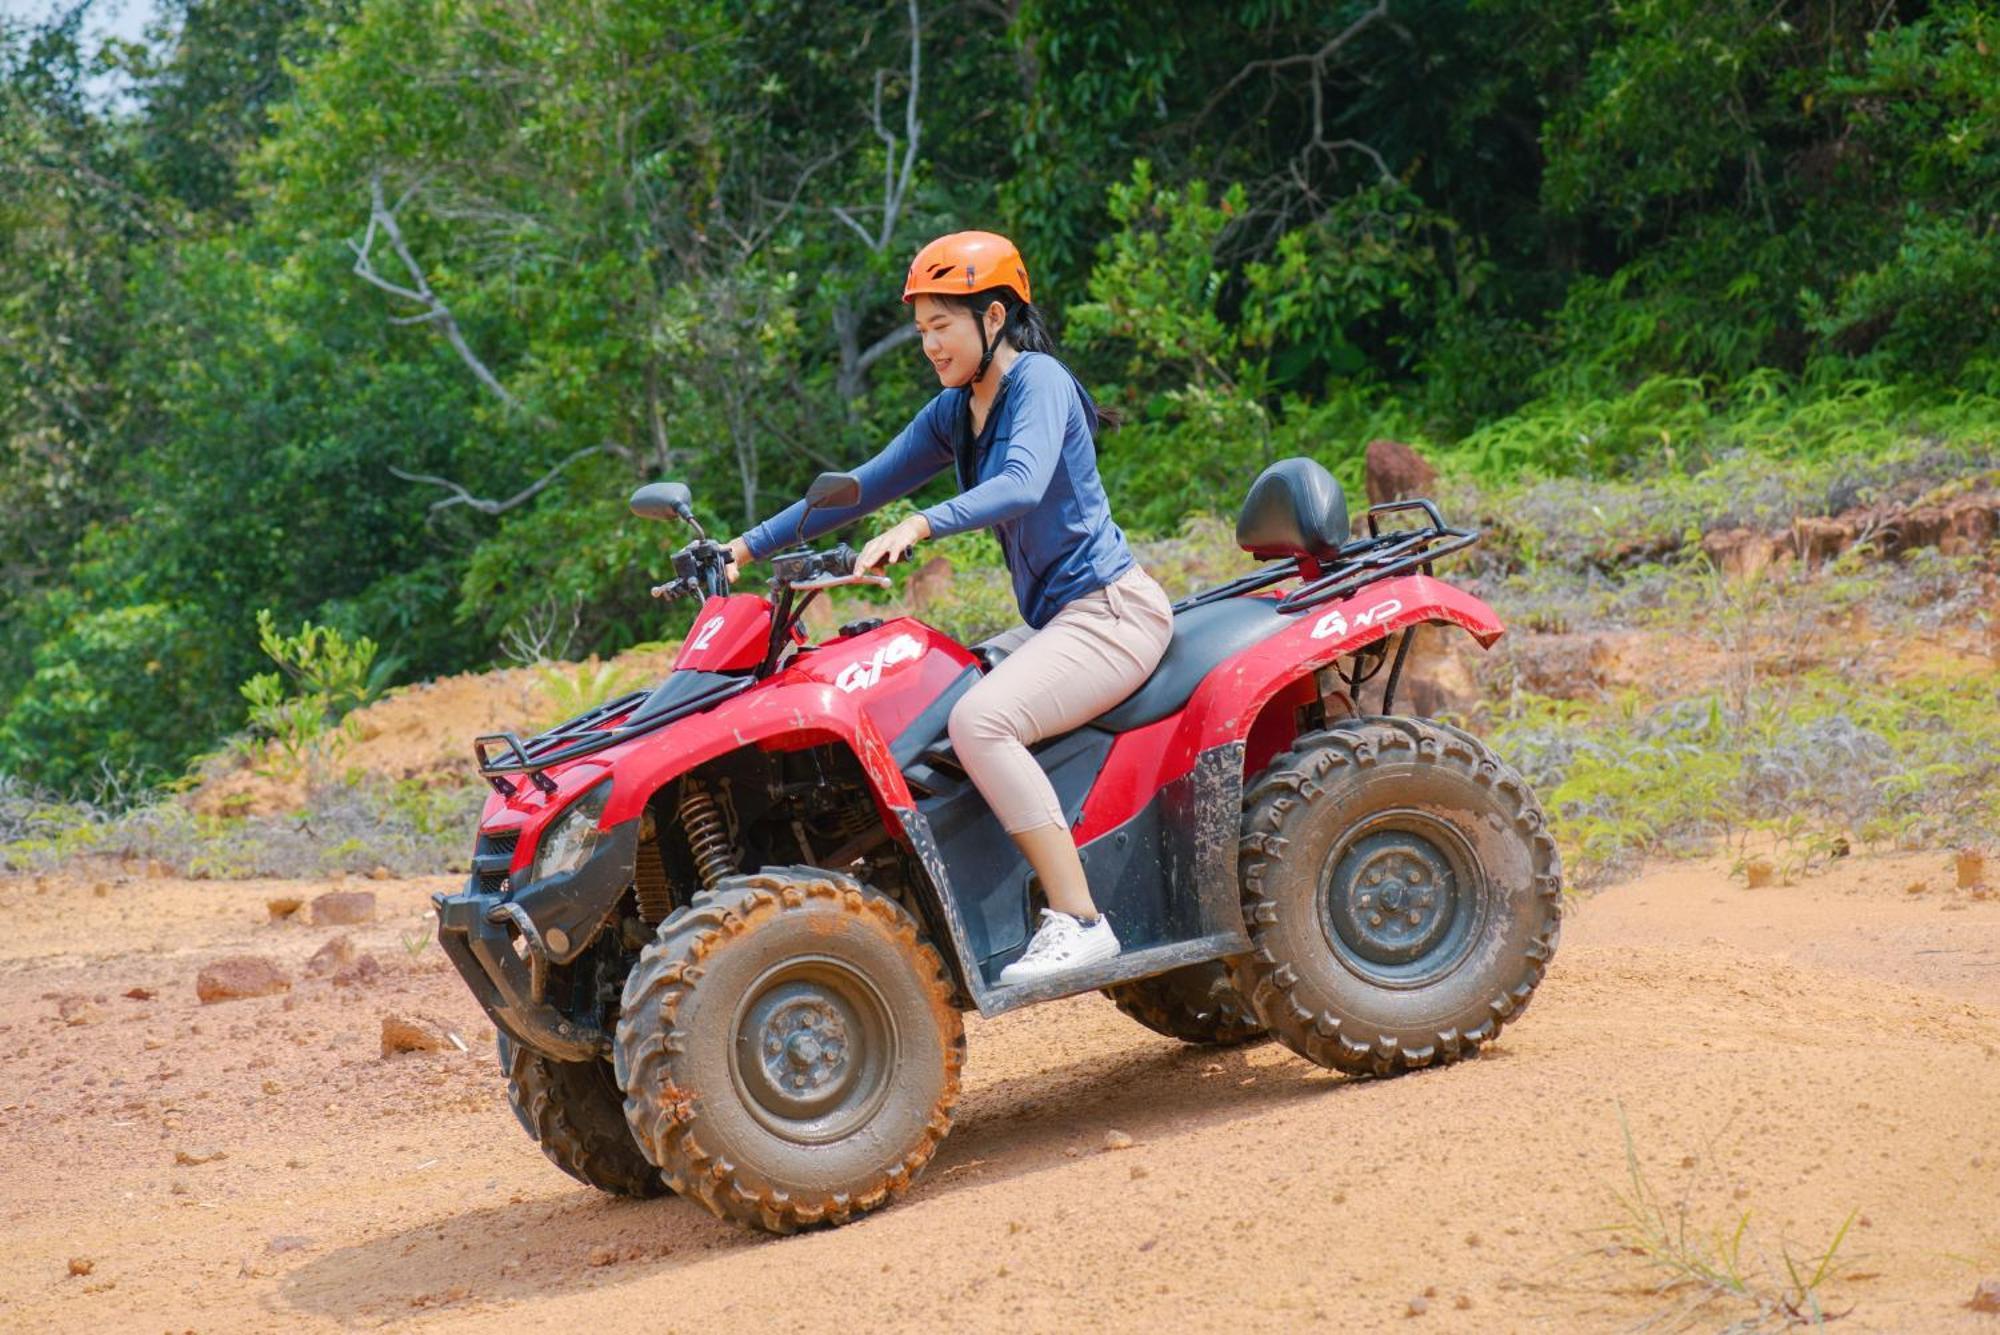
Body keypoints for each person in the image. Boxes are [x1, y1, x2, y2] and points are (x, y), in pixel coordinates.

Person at [725, 231, 1173, 985]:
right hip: (1062, 623)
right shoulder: (954, 411)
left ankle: (1080, 919)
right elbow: (860, 487)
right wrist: (743, 547)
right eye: (922, 330)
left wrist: (923, 521)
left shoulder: (1041, 383)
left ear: (993, 318)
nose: (930, 344)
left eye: (943, 325)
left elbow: (1024, 482)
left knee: (981, 720)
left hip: (1111, 611)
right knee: (936, 698)